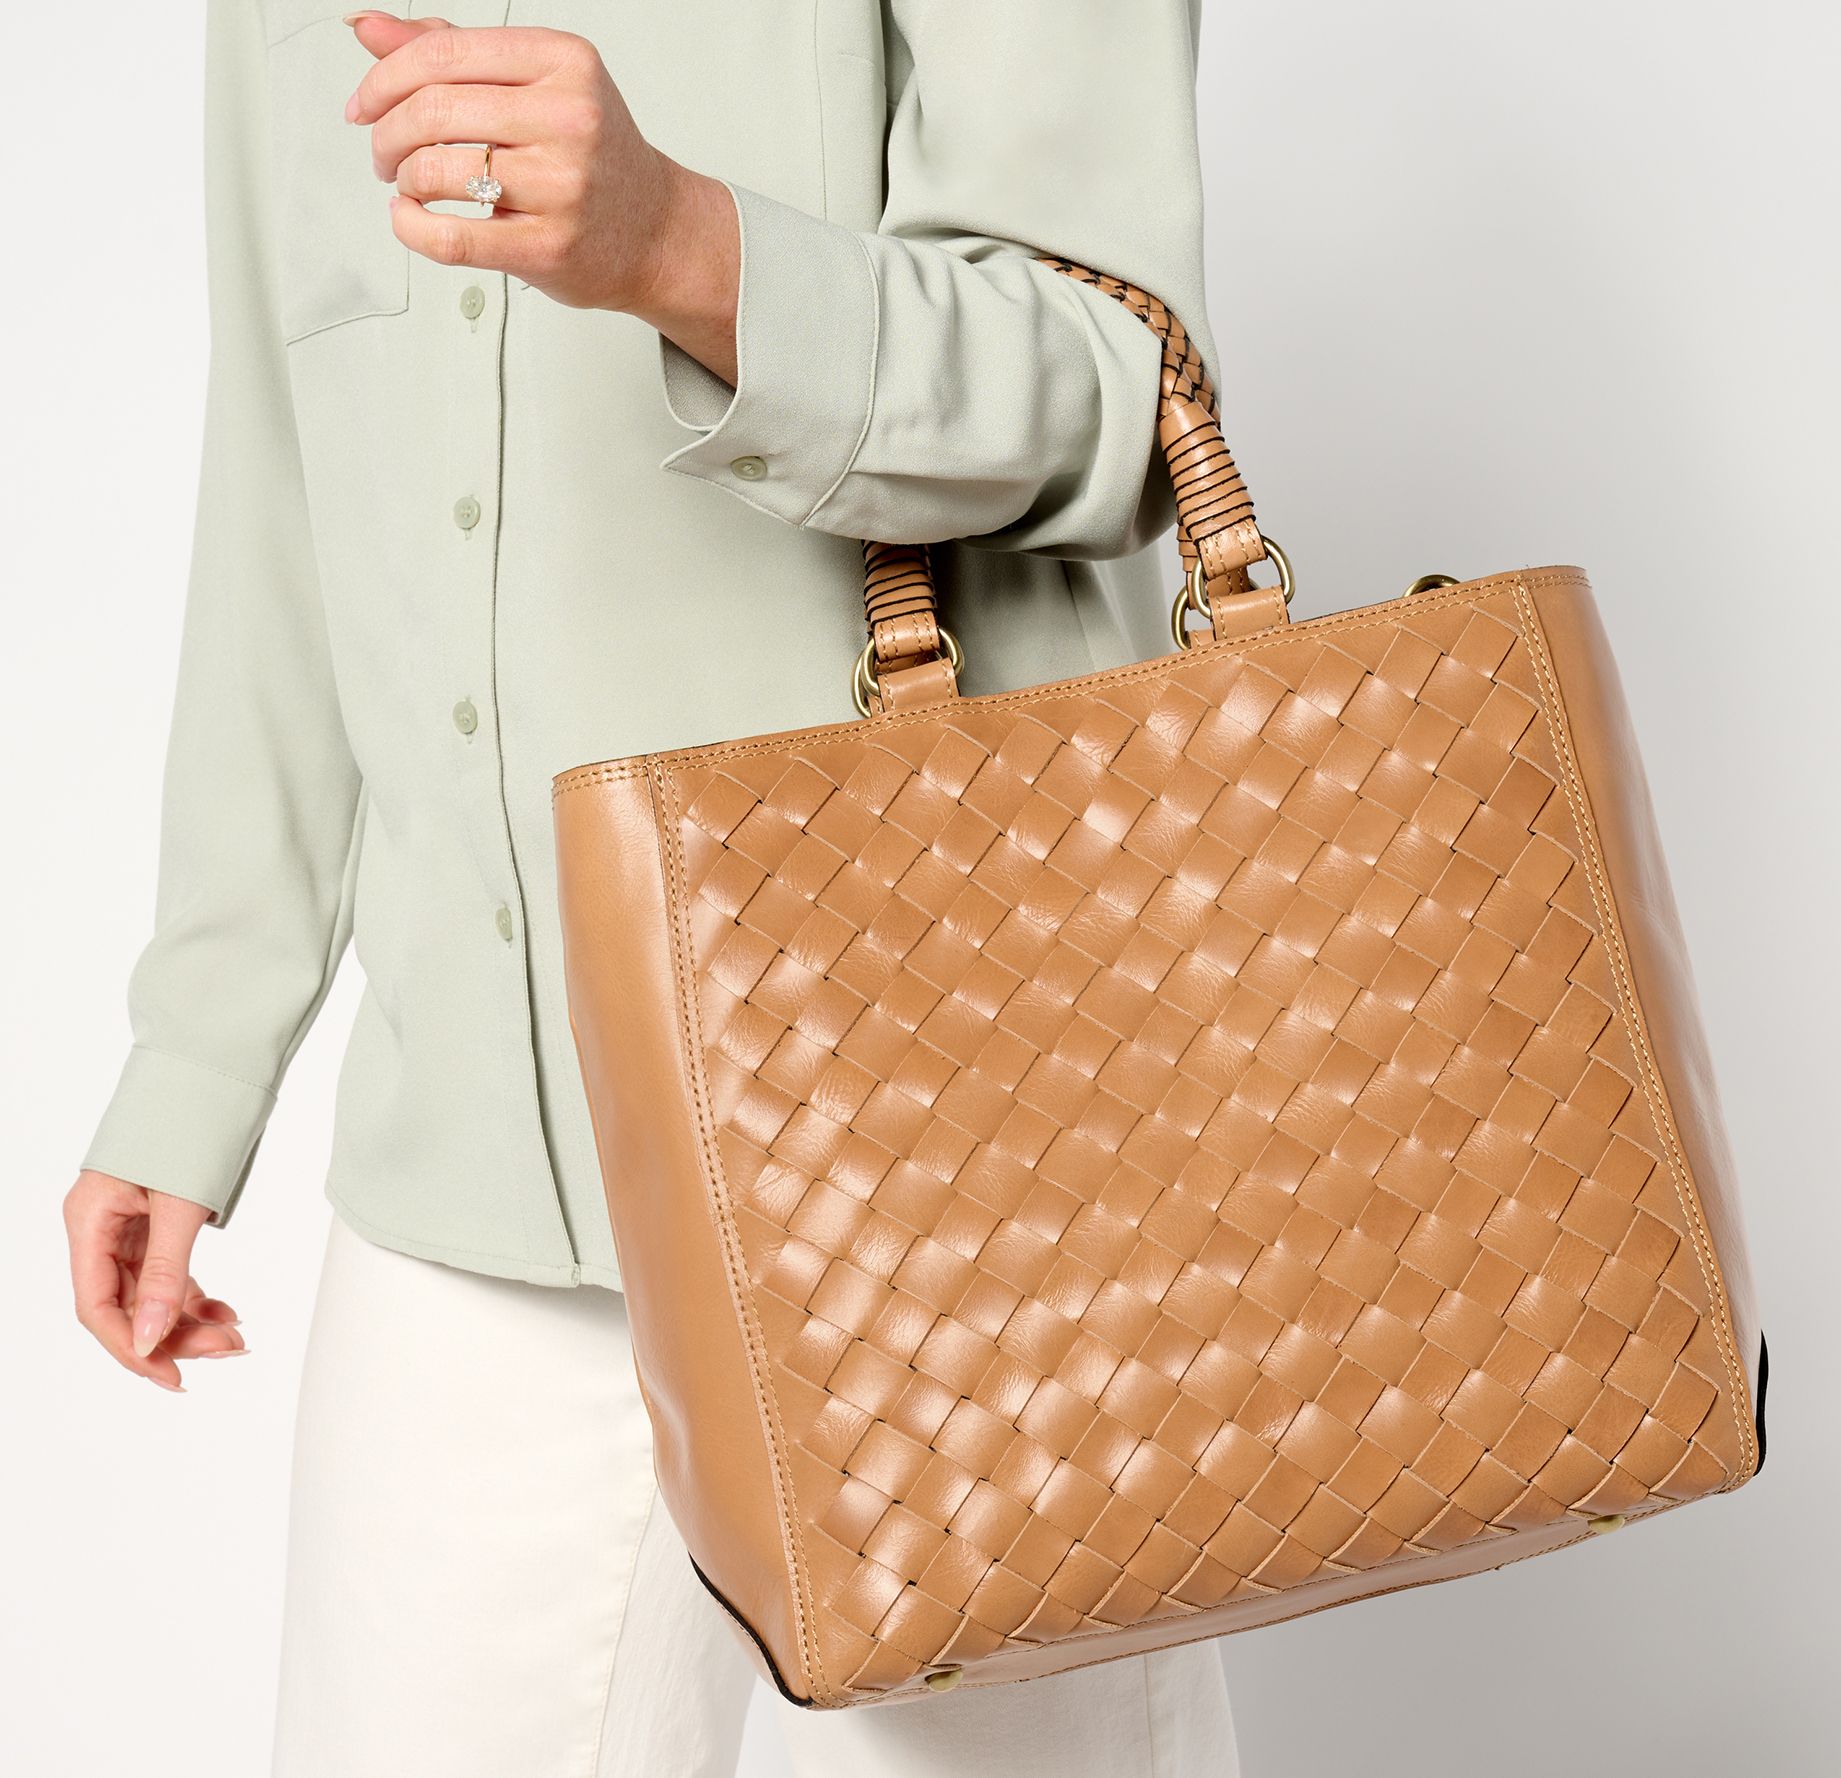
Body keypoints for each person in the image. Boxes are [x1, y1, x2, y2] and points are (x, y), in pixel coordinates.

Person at [62, 5, 1240, 1773]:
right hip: (483, 1167)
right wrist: (199, 1053)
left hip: (970, 1146)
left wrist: (684, 247)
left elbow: (1118, 386)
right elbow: (284, 478)